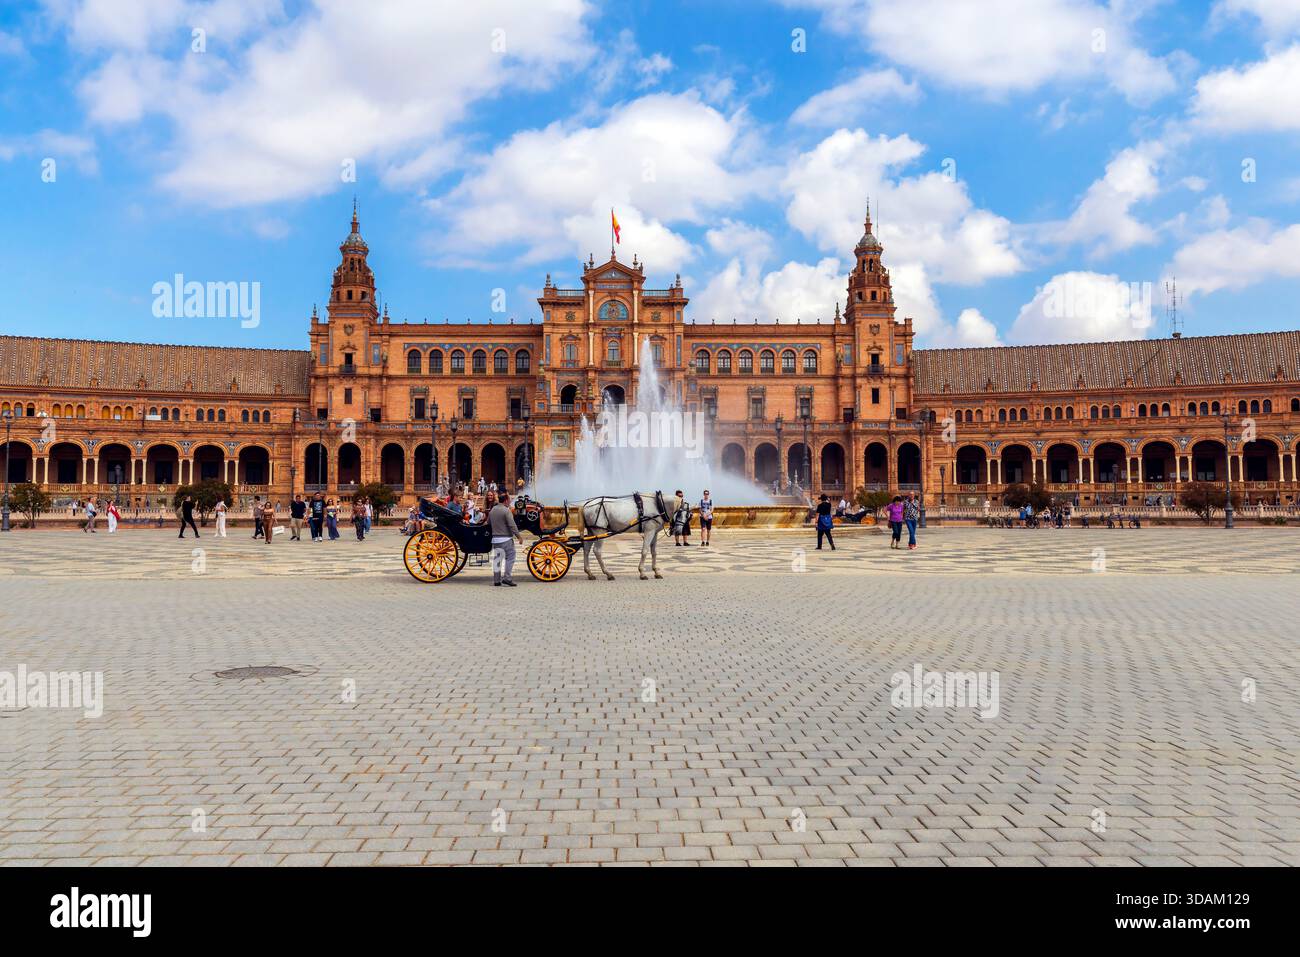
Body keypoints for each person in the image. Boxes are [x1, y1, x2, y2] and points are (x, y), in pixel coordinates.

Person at [489, 492, 525, 587]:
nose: (510, 502)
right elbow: (512, 525)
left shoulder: (493, 510)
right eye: (509, 500)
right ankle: (507, 578)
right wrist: (519, 536)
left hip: (495, 539)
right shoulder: (506, 510)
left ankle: (496, 580)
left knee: (497, 560)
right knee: (511, 557)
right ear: (505, 500)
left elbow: (488, 522)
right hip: (505, 539)